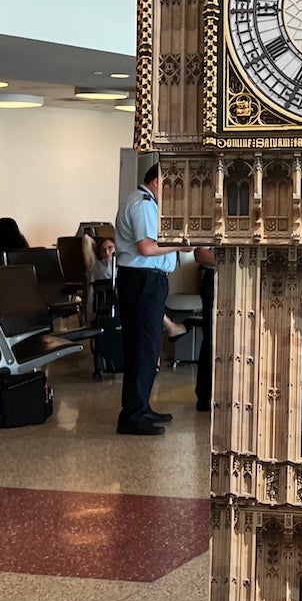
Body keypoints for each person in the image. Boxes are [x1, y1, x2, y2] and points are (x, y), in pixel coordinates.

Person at [115, 164, 206, 436]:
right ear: (157, 182)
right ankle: (133, 415)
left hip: (147, 280)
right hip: (142, 280)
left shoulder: (147, 202)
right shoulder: (143, 204)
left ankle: (141, 407)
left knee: (146, 347)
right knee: (143, 347)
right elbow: (146, 247)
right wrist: (182, 244)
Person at [194, 245, 217, 413]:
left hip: (245, 277)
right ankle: (205, 397)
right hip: (216, 278)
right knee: (212, 338)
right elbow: (200, 254)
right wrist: (234, 260)